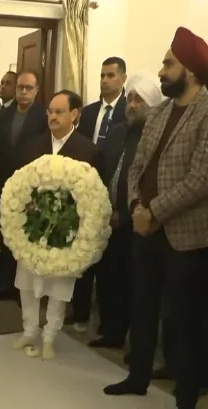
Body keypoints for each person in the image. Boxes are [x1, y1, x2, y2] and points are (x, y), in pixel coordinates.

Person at [104, 27, 208, 409]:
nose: (162, 71)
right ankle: (138, 376)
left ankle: (184, 403)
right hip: (144, 227)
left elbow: (201, 179)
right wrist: (135, 207)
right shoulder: (161, 112)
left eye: (169, 63)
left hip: (184, 234)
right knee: (142, 307)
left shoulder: (205, 112)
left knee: (183, 321)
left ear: (192, 70)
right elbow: (136, 166)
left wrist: (156, 212)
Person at [11, 90, 99, 360]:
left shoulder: (88, 150)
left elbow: (93, 194)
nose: (52, 116)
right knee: (27, 280)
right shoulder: (32, 145)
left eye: (59, 111)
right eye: (50, 111)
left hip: (65, 229)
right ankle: (29, 329)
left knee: (59, 284)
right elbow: (19, 185)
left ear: (75, 114)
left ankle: (50, 335)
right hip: (33, 226)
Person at [90, 73, 164, 349]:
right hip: (107, 219)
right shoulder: (119, 131)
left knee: (134, 285)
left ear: (152, 105)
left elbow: (146, 179)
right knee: (109, 278)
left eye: (138, 100)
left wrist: (125, 209)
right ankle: (112, 332)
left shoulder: (154, 136)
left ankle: (136, 344)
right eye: (130, 99)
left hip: (136, 220)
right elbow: (106, 170)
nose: (132, 105)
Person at [67, 56, 128, 331]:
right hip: (85, 187)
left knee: (111, 263)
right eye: (102, 75)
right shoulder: (89, 112)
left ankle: (108, 321)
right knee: (82, 250)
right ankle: (78, 310)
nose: (105, 80)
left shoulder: (130, 110)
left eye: (111, 75)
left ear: (123, 78)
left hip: (115, 188)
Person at [0, 70, 48, 299]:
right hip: (4, 180)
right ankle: (3, 283)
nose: (23, 92)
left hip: (30, 184)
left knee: (25, 235)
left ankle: (21, 288)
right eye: (20, 87)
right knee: (5, 231)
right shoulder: (4, 115)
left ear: (36, 90)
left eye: (28, 88)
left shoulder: (43, 116)